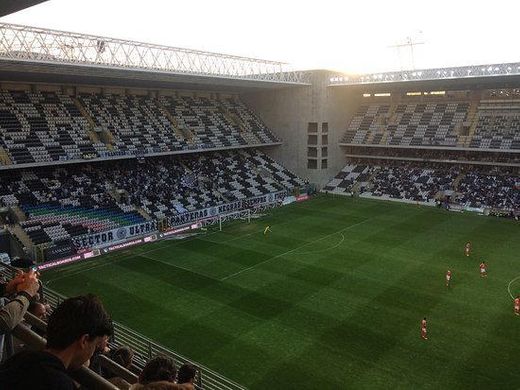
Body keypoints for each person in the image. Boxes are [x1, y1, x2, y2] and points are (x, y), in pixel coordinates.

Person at [0, 294, 113, 389]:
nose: (92, 353)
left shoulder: (21, 358)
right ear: (84, 341)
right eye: (94, 345)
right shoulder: (57, 383)